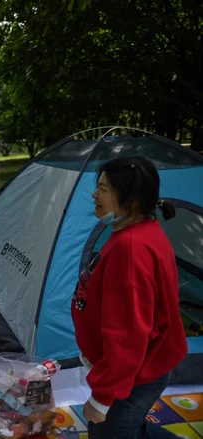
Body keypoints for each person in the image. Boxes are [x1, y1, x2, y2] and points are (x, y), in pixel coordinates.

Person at [71, 156, 187, 438]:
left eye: (104, 189)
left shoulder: (132, 249)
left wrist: (102, 397)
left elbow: (129, 335)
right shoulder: (136, 231)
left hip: (134, 375)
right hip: (133, 370)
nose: (94, 195)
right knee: (131, 428)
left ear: (131, 200)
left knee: (108, 432)